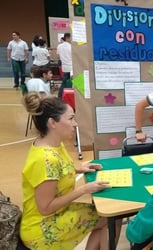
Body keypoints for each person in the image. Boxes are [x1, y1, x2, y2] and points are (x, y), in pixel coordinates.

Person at [20, 92, 117, 249]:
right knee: (109, 218)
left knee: (108, 217)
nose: (75, 124)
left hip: (57, 213)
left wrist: (79, 169)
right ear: (53, 123)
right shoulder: (45, 160)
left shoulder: (54, 144)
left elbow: (57, 172)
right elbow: (45, 208)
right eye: (71, 118)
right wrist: (84, 189)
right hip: (43, 227)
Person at [57, 32, 72, 98]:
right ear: (67, 38)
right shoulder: (71, 46)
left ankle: (60, 96)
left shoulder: (59, 46)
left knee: (64, 83)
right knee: (74, 83)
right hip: (71, 68)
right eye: (71, 38)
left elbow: (58, 55)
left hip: (64, 67)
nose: (71, 39)